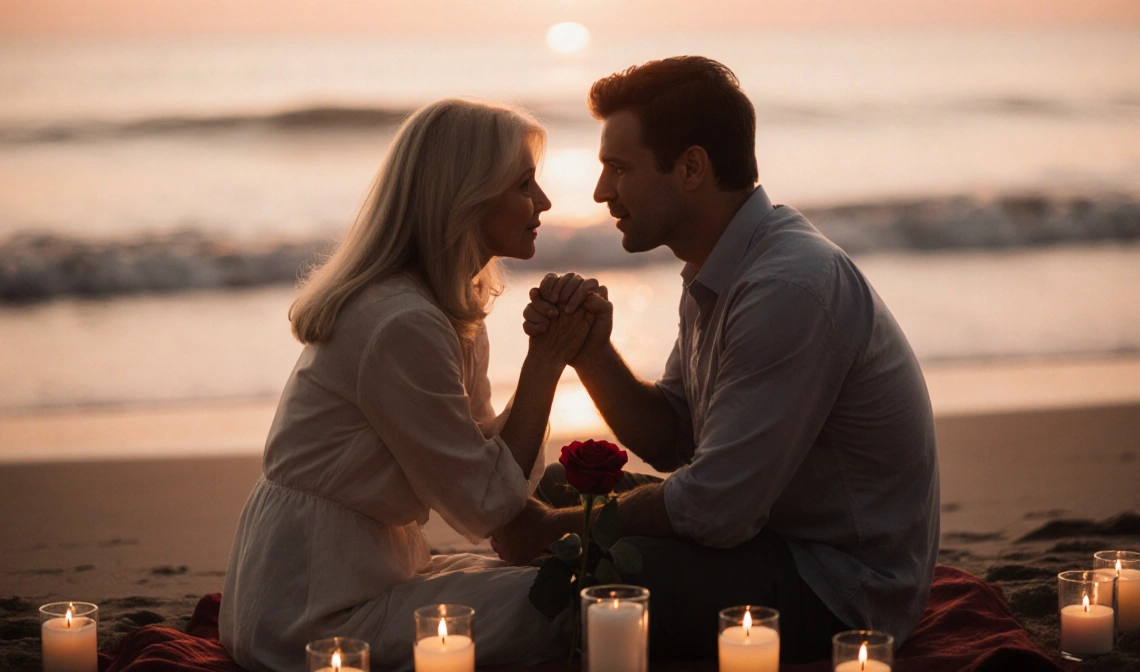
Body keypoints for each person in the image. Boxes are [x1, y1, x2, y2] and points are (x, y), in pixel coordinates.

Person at [493, 56, 941, 663]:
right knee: (563, 488)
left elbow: (715, 510)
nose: (601, 192)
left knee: (601, 571)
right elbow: (675, 436)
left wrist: (547, 531)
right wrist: (591, 354)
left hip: (842, 586)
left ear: (692, 168)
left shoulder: (787, 287)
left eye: (618, 168)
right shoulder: (720, 267)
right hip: (767, 536)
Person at [219, 99, 595, 671]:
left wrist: (545, 361)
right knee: (569, 600)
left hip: (364, 573)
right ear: (466, 197)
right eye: (524, 184)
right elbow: (485, 506)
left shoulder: (446, 310)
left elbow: (483, 461)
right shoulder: (402, 323)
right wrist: (545, 364)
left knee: (560, 579)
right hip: (315, 614)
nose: (543, 201)